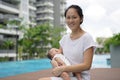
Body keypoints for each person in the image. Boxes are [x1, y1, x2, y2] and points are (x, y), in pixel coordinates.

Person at [38, 5, 96, 80]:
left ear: (81, 18)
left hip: (80, 78)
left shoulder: (87, 38)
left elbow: (87, 65)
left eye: (74, 17)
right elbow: (58, 57)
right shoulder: (64, 39)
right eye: (68, 18)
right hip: (66, 76)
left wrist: (62, 69)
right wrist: (56, 66)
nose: (71, 21)